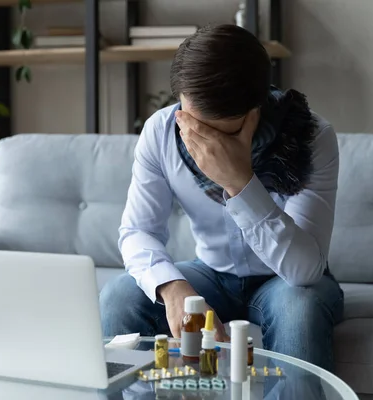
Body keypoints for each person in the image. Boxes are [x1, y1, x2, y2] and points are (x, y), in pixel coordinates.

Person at [100, 24, 344, 372]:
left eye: (213, 129)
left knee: (298, 308)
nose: (195, 137)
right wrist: (172, 288)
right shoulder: (163, 131)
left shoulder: (310, 137)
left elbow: (304, 270)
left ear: (253, 111)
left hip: (285, 280)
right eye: (188, 120)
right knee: (118, 297)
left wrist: (239, 181)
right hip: (210, 274)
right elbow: (137, 231)